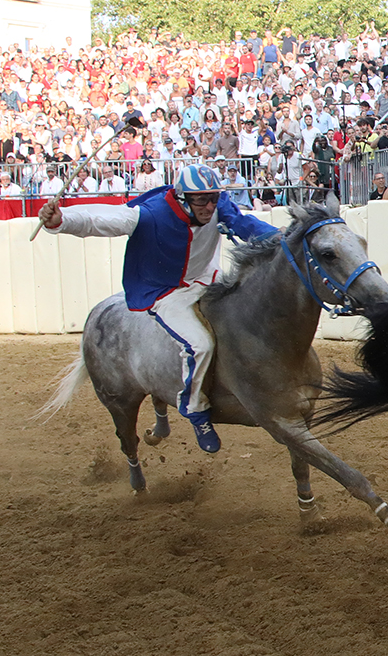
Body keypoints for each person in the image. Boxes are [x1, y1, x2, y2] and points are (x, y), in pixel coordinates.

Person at [38, 165, 277, 453]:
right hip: (166, 293)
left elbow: (244, 224)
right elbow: (102, 219)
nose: (209, 206)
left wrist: (282, 236)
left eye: (213, 198)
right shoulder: (151, 214)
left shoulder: (216, 205)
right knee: (199, 345)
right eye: (201, 200)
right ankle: (196, 411)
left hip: (209, 281)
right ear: (181, 198)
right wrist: (62, 220)